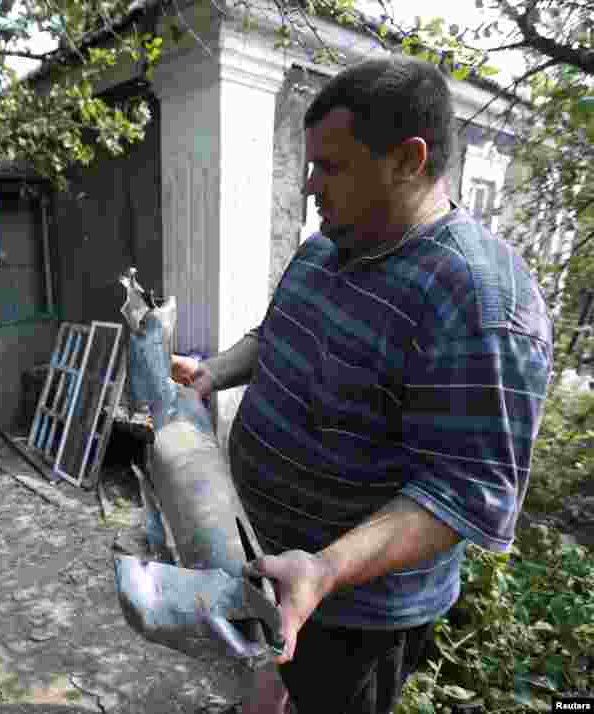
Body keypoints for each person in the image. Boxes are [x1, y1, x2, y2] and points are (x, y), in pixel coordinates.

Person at [172, 56, 553, 714]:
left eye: (331, 166)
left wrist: (325, 570)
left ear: (409, 159)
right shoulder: (326, 247)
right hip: (268, 557)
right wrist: (213, 372)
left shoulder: (483, 304)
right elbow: (275, 334)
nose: (308, 185)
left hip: (359, 614)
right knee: (273, 677)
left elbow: (464, 494)